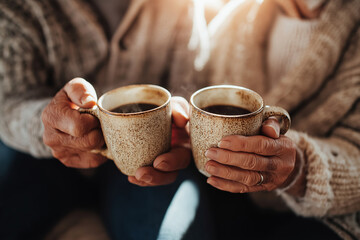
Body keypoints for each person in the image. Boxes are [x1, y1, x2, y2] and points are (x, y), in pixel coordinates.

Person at [0, 0, 220, 239]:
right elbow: (9, 98)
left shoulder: (180, 6)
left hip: (143, 166)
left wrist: (181, 121)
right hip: (36, 156)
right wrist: (45, 122)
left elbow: (190, 82)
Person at [192, 0, 360, 239]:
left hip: (325, 217)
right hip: (220, 187)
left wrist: (300, 169)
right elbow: (195, 88)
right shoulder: (236, 18)